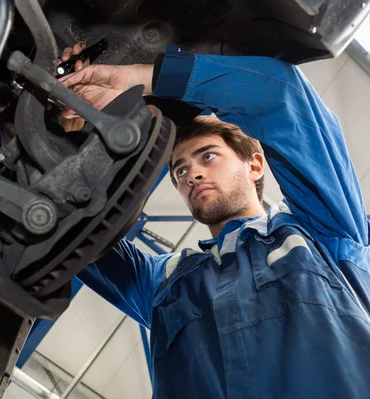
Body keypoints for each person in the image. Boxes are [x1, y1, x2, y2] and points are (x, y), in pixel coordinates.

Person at [58, 42, 370, 398]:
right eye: (180, 170)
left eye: (208, 156)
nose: (192, 175)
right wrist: (67, 133)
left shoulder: (321, 231)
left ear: (254, 165)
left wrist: (139, 79)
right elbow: (70, 229)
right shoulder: (162, 281)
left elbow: (284, 96)